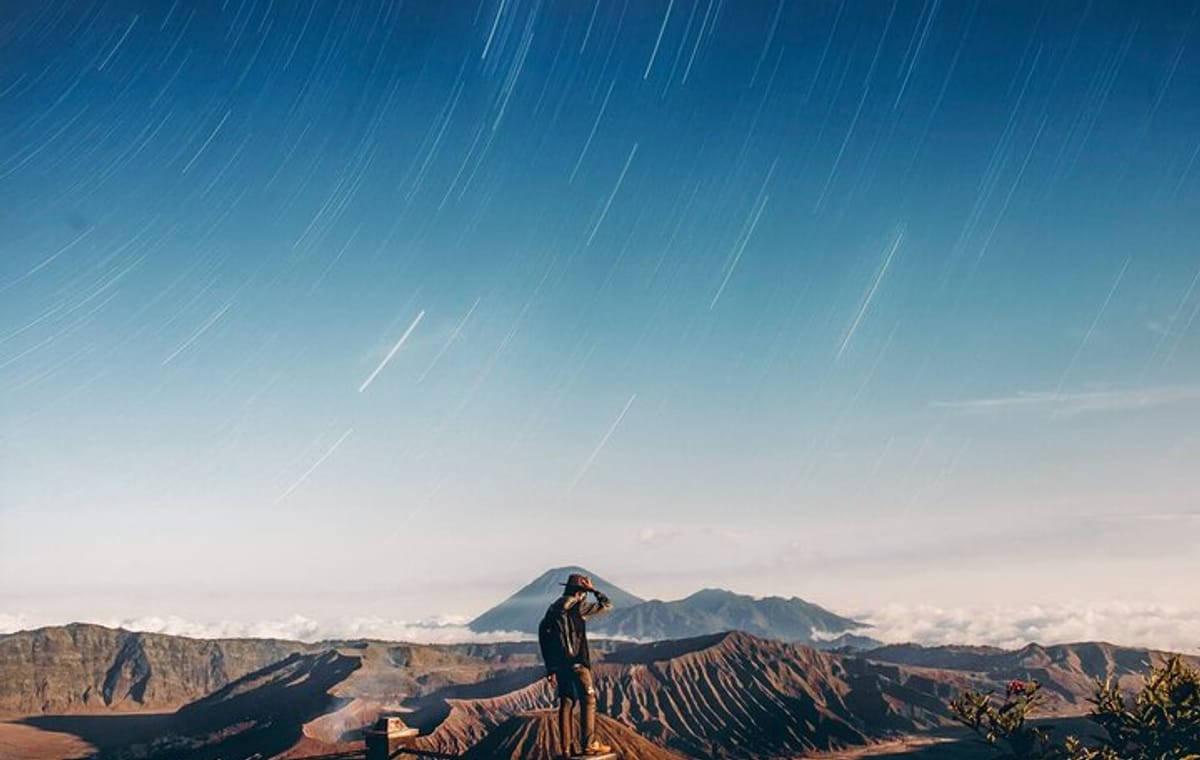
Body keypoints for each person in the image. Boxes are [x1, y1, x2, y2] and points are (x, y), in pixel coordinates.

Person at [538, 573, 614, 757]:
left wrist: (551, 668)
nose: (584, 596)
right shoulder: (577, 606)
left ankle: (565, 748)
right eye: (584, 593)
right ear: (579, 592)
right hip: (578, 664)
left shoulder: (552, 610)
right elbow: (608, 606)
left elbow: (543, 637)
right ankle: (589, 744)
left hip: (561, 667)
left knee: (567, 702)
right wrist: (594, 590)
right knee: (589, 700)